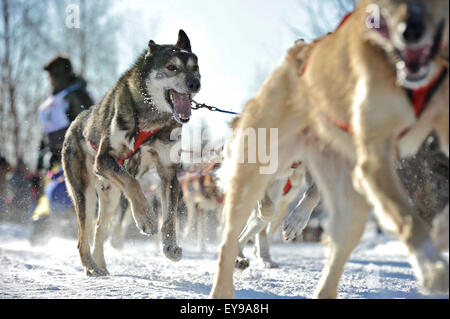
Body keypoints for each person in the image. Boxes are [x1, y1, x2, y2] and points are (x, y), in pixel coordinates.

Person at [31, 56, 94, 242]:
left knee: (71, 194)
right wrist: (39, 160)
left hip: (77, 158)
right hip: (54, 160)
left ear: (59, 74)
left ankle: (80, 227)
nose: (49, 79)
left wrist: (83, 155)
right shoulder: (52, 99)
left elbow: (89, 126)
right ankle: (43, 226)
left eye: (51, 75)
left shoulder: (76, 94)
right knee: (49, 195)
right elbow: (46, 134)